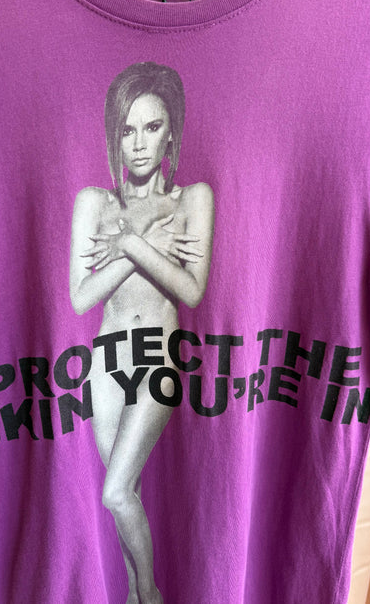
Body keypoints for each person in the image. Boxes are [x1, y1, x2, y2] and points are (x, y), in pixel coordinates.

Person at [69, 61, 214, 603]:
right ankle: (136, 593)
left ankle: (149, 594)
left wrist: (128, 245)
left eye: (151, 127)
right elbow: (81, 297)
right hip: (106, 358)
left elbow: (191, 289)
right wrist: (144, 248)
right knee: (123, 493)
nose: (137, 144)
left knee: (113, 493)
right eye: (127, 129)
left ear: (171, 131)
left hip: (157, 353)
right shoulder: (94, 203)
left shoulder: (192, 199)